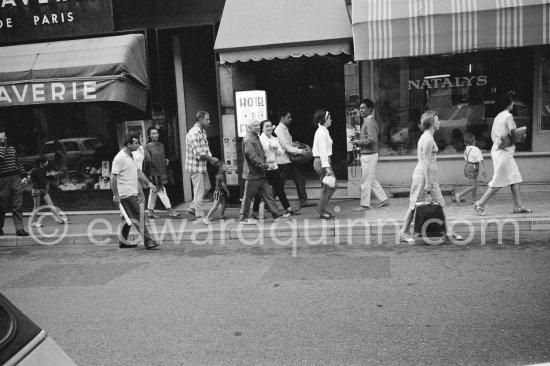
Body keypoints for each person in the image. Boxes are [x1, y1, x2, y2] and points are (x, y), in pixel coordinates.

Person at [399, 111, 463, 244]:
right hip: (424, 177)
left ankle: (448, 232)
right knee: (414, 205)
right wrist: (428, 183)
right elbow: (426, 162)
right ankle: (403, 232)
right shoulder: (428, 139)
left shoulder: (428, 137)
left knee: (440, 203)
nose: (439, 122)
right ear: (432, 123)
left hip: (429, 177)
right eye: (437, 120)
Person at [473, 93, 533, 216]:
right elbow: (512, 131)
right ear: (508, 104)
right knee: (498, 181)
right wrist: (519, 137)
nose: (513, 104)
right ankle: (481, 203)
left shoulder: (498, 117)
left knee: (515, 178)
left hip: (499, 150)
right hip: (503, 152)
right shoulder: (508, 116)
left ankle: (518, 206)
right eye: (511, 102)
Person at [111, 133, 160, 250]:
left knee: (127, 217)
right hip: (125, 194)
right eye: (136, 143)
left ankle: (122, 241)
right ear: (129, 144)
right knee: (138, 215)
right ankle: (148, 241)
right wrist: (116, 195)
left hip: (131, 192)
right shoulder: (119, 158)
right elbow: (113, 177)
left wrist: (149, 183)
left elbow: (138, 172)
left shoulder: (132, 156)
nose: (138, 145)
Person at [240, 119, 290, 225]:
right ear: (249, 128)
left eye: (258, 125)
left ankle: (276, 216)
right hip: (252, 174)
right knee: (248, 197)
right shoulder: (248, 139)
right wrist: (265, 165)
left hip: (260, 174)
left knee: (268, 196)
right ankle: (243, 218)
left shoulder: (255, 137)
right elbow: (252, 156)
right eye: (255, 126)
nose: (258, 127)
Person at [251, 120, 300, 219]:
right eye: (266, 126)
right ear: (262, 128)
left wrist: (275, 149)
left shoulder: (275, 139)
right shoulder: (260, 139)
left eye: (270, 126)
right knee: (259, 192)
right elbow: (258, 154)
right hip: (264, 168)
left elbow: (281, 153)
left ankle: (288, 209)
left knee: (279, 189)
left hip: (274, 167)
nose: (269, 128)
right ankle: (255, 212)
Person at [351, 99, 390, 211]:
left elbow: (372, 139)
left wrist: (358, 142)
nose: (360, 110)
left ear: (370, 109)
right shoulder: (368, 122)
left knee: (365, 181)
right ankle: (384, 199)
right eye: (360, 108)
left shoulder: (370, 122)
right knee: (371, 179)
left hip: (369, 155)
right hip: (369, 154)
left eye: (363, 108)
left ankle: (364, 205)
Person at [273, 109, 314, 208]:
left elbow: (288, 144)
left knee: (300, 179)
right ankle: (268, 203)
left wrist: (294, 144)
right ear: (282, 118)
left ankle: (303, 201)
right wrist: (301, 151)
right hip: (283, 161)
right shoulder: (279, 130)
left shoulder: (285, 129)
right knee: (279, 184)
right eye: (288, 117)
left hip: (290, 160)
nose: (291, 119)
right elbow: (286, 147)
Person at [185, 111, 219, 220]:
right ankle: (200, 216)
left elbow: (205, 149)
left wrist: (211, 159)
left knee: (207, 187)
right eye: (207, 119)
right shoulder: (193, 133)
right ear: (200, 119)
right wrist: (211, 159)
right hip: (195, 167)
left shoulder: (202, 132)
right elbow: (198, 152)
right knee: (199, 191)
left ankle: (193, 207)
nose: (209, 121)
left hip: (202, 166)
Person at [143, 127, 180, 218]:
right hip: (154, 172)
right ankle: (170, 211)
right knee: (162, 191)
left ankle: (150, 212)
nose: (156, 135)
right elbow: (147, 161)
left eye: (157, 133)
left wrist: (166, 161)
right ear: (149, 135)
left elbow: (162, 157)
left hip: (163, 171)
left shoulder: (161, 145)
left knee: (154, 192)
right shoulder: (147, 147)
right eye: (153, 133)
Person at [0, 131, 29, 236]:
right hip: (2, 179)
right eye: (3, 135)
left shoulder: (12, 149)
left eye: (5, 135)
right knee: (1, 206)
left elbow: (18, 163)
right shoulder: (1, 149)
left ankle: (19, 229)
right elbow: (1, 157)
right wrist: (1, 144)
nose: (5, 137)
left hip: (15, 178)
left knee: (17, 205)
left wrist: (24, 175)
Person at [312, 109, 338, 220]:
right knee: (328, 187)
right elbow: (323, 151)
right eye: (329, 118)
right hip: (322, 162)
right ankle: (321, 211)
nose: (331, 119)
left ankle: (321, 209)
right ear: (324, 120)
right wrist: (326, 167)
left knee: (331, 186)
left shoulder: (323, 131)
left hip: (323, 161)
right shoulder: (322, 132)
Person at [28, 155, 68, 227]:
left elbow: (47, 174)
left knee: (51, 204)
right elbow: (29, 177)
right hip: (36, 189)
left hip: (43, 189)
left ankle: (59, 218)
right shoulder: (34, 170)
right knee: (36, 206)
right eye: (46, 161)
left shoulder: (44, 170)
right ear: (41, 163)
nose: (47, 162)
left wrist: (55, 173)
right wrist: (27, 180)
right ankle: (34, 222)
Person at [453, 133, 486, 205]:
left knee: (475, 183)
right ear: (474, 141)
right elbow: (480, 160)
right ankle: (460, 195)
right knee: (474, 185)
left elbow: (466, 158)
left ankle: (474, 199)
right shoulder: (476, 149)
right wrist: (484, 169)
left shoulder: (466, 149)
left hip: (468, 166)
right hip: (473, 167)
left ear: (465, 143)